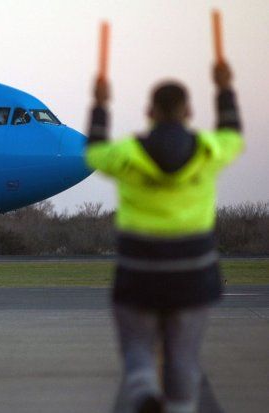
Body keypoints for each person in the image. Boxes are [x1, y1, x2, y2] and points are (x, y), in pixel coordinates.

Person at [85, 61, 243, 413]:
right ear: (188, 111)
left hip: (139, 271)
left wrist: (100, 104)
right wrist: (224, 88)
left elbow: (94, 151)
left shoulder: (127, 154)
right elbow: (232, 135)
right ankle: (180, 407)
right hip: (193, 273)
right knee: (184, 357)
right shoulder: (208, 150)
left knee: (138, 353)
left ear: (149, 112)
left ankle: (143, 397)